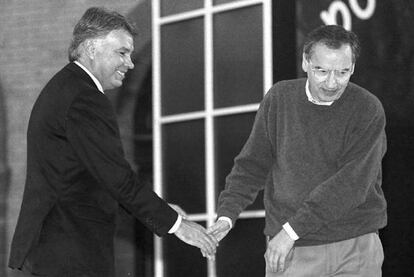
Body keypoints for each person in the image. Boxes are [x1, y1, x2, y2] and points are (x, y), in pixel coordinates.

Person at [8, 7, 217, 277]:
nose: (130, 63)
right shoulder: (84, 97)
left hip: (59, 251)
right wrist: (177, 225)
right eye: (122, 52)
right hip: (70, 252)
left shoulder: (67, 88)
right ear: (91, 48)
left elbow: (94, 177)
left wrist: (162, 209)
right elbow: (116, 177)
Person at [208, 25, 387, 276]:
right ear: (305, 62)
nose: (332, 82)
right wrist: (227, 214)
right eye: (321, 71)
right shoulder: (280, 99)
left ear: (353, 68)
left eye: (343, 72)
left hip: (354, 244)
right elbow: (251, 165)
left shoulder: (367, 108)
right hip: (291, 250)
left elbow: (351, 184)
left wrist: (291, 230)